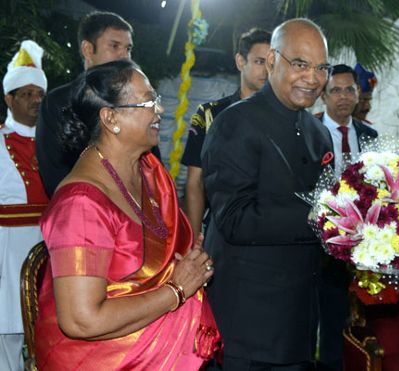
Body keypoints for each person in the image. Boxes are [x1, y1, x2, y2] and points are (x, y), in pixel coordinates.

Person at [35, 60, 221, 370]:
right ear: (110, 118)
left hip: (162, 337)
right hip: (108, 359)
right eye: (148, 101)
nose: (158, 111)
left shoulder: (148, 170)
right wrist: (175, 290)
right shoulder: (80, 205)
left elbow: (170, 248)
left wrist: (191, 267)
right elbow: (81, 321)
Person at [201, 18, 332, 369]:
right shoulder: (235, 124)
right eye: (301, 64)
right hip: (248, 324)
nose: (313, 77)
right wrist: (322, 217)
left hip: (300, 319)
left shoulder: (319, 133)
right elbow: (235, 219)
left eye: (322, 68)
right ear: (273, 61)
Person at [36, 11, 158, 197]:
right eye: (114, 46)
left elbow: (154, 168)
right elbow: (54, 173)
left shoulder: (138, 100)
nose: (125, 56)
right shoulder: (57, 102)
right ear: (87, 49)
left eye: (128, 49)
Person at [315, 63, 377, 370]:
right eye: (335, 90)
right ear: (323, 96)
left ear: (358, 94)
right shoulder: (308, 130)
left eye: (349, 89)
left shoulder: (370, 135)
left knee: (352, 324)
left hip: (361, 247)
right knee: (319, 323)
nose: (343, 96)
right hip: (316, 247)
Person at [181, 28, 271, 237]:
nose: (266, 71)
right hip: (219, 230)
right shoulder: (209, 114)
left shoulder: (286, 117)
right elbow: (195, 182)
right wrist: (195, 240)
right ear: (241, 61)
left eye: (271, 63)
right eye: (259, 61)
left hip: (269, 232)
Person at [0, 40, 49, 371]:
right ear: (9, 99)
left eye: (39, 94)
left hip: (48, 246)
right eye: (26, 94)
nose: (35, 101)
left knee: (46, 332)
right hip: (7, 252)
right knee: (9, 336)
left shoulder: (54, 142)